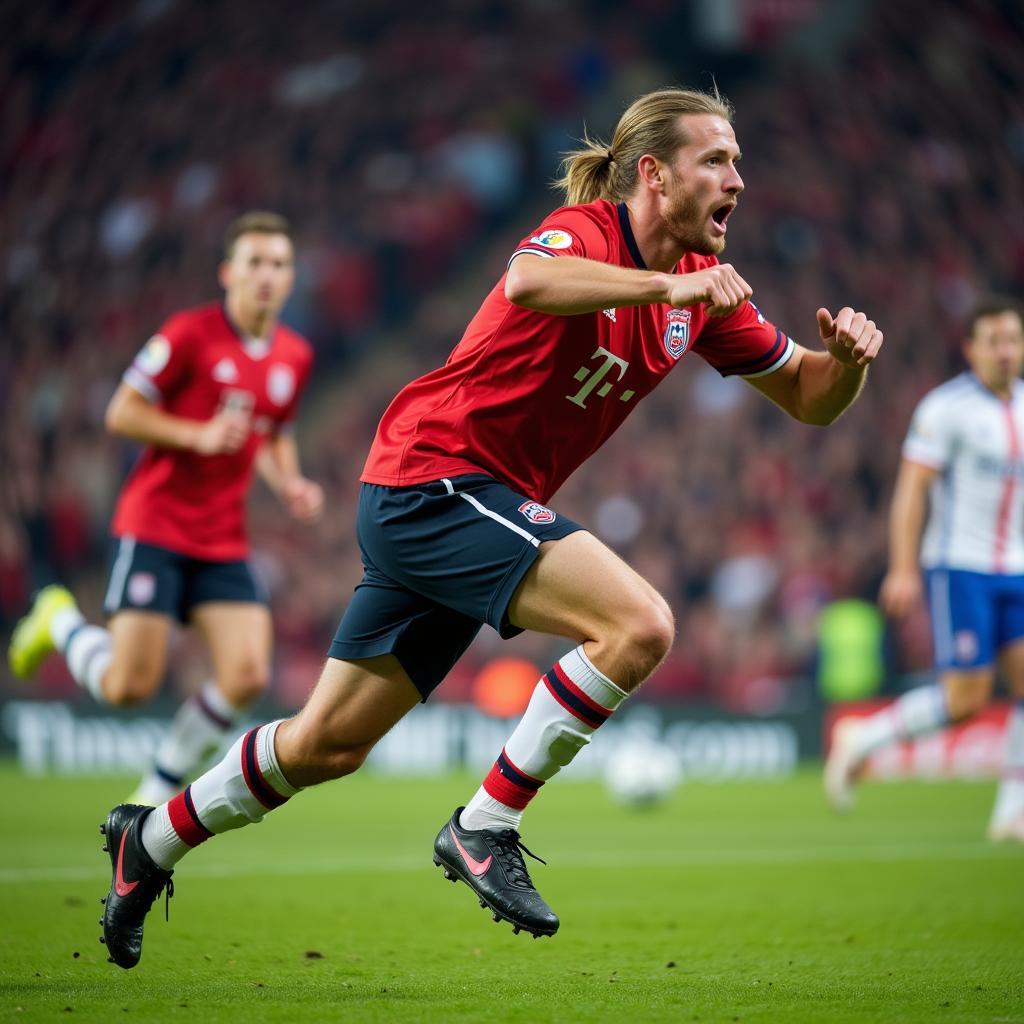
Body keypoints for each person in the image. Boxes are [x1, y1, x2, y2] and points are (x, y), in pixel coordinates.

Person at [94, 86, 884, 969]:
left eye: (739, 161)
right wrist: (667, 281)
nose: (739, 177)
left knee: (327, 745)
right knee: (640, 624)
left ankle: (149, 842)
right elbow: (528, 280)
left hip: (456, 506)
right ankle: (484, 826)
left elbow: (812, 399)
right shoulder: (590, 235)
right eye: (718, 160)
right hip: (436, 477)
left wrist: (845, 365)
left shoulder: (701, 297)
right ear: (654, 176)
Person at [8, 211, 322, 807]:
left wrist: (289, 481)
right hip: (156, 526)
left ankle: (153, 791)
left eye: (279, 264)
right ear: (228, 273)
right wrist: (197, 434)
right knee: (129, 687)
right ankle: (60, 621)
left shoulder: (294, 355)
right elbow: (122, 412)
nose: (267, 275)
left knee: (247, 674)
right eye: (255, 262)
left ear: (290, 278)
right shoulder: (188, 334)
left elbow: (274, 429)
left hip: (223, 537)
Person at [825, 298, 1024, 841]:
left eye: (1013, 341)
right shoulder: (946, 409)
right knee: (967, 700)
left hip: (1018, 570)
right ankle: (862, 739)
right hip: (962, 567)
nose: (1006, 352)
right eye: (994, 342)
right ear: (972, 349)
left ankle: (1012, 815)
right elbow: (912, 490)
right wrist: (904, 568)